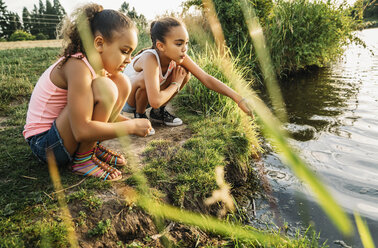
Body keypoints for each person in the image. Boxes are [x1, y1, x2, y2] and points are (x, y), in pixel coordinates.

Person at [23, 4, 152, 181]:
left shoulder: (94, 68)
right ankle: (83, 159)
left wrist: (133, 121)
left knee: (121, 82)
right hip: (45, 144)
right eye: (124, 51)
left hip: (63, 135)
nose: (129, 60)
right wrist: (130, 127)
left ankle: (90, 148)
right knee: (107, 88)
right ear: (99, 43)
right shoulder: (77, 66)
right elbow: (81, 130)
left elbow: (104, 116)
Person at [122, 17, 252, 133]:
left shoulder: (179, 56)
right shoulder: (150, 58)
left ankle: (158, 113)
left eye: (186, 43)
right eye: (179, 44)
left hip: (151, 98)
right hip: (128, 100)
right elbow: (155, 101)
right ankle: (140, 115)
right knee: (146, 78)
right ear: (161, 46)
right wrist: (176, 83)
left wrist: (238, 99)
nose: (184, 48)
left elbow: (206, 78)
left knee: (184, 73)